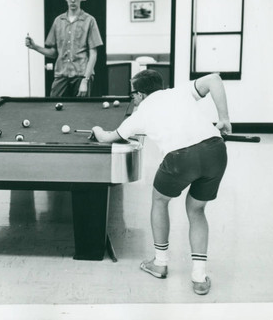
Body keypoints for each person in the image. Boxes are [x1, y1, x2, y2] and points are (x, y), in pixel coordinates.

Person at [92, 70, 231, 295]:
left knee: (159, 201)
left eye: (132, 94)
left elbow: (106, 137)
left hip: (180, 159)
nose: (132, 99)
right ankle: (199, 277)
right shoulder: (179, 92)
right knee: (196, 211)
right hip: (216, 151)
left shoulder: (139, 115)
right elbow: (214, 79)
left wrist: (96, 129)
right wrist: (224, 118)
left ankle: (160, 262)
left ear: (140, 94)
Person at [25, 0, 103, 97]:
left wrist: (85, 81)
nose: (73, 1)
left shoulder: (89, 21)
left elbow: (93, 54)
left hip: (81, 76)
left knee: (81, 113)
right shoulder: (58, 21)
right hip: (61, 76)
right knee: (54, 110)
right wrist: (35, 47)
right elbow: (53, 53)